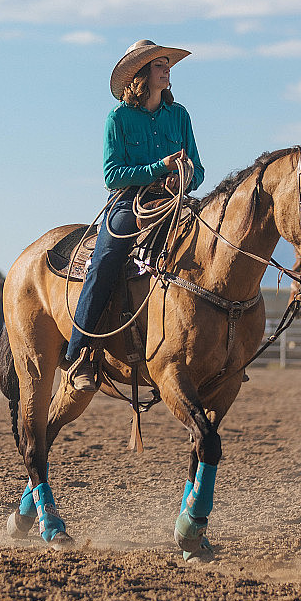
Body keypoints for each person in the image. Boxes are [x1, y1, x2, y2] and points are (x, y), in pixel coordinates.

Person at [65, 39, 205, 391]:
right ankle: (81, 353)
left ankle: (216, 349)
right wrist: (159, 166)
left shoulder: (180, 115)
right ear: (142, 74)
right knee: (106, 259)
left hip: (174, 200)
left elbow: (199, 170)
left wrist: (184, 175)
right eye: (160, 65)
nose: (167, 69)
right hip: (129, 203)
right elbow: (112, 174)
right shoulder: (119, 118)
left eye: (167, 65)